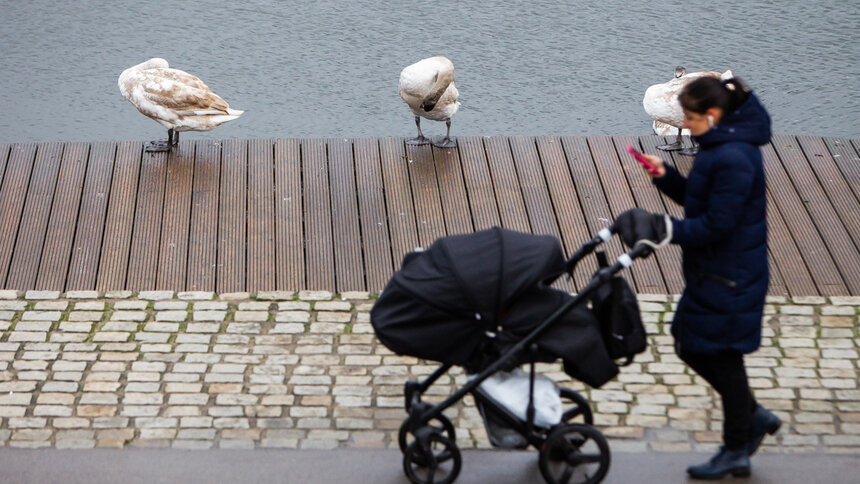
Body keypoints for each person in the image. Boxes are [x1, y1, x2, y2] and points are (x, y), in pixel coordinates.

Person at [611, 76, 781, 479]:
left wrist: (666, 231)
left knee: (721, 356)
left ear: (713, 114)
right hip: (715, 271)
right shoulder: (718, 145)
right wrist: (665, 176)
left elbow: (717, 225)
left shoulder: (736, 157)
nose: (684, 125)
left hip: (731, 275)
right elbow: (700, 199)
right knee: (689, 340)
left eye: (689, 117)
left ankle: (737, 446)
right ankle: (751, 417)